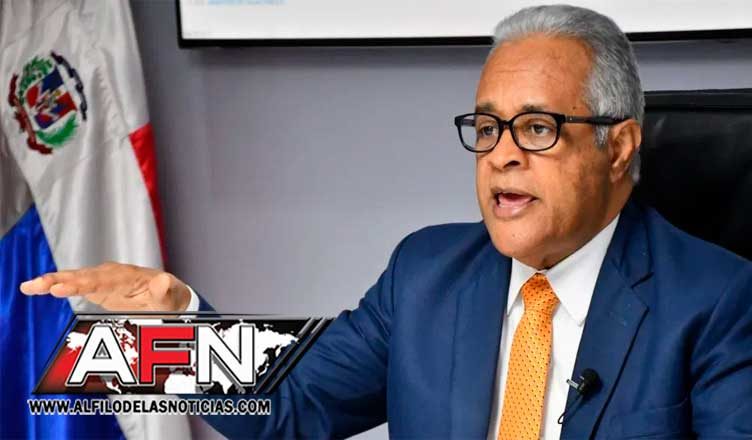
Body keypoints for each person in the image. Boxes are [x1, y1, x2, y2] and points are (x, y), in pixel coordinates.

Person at [20, 4, 752, 439]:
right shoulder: (427, 274)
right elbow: (291, 408)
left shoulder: (718, 301)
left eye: (536, 128)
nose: (500, 156)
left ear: (618, 147)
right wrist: (171, 323)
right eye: (487, 128)